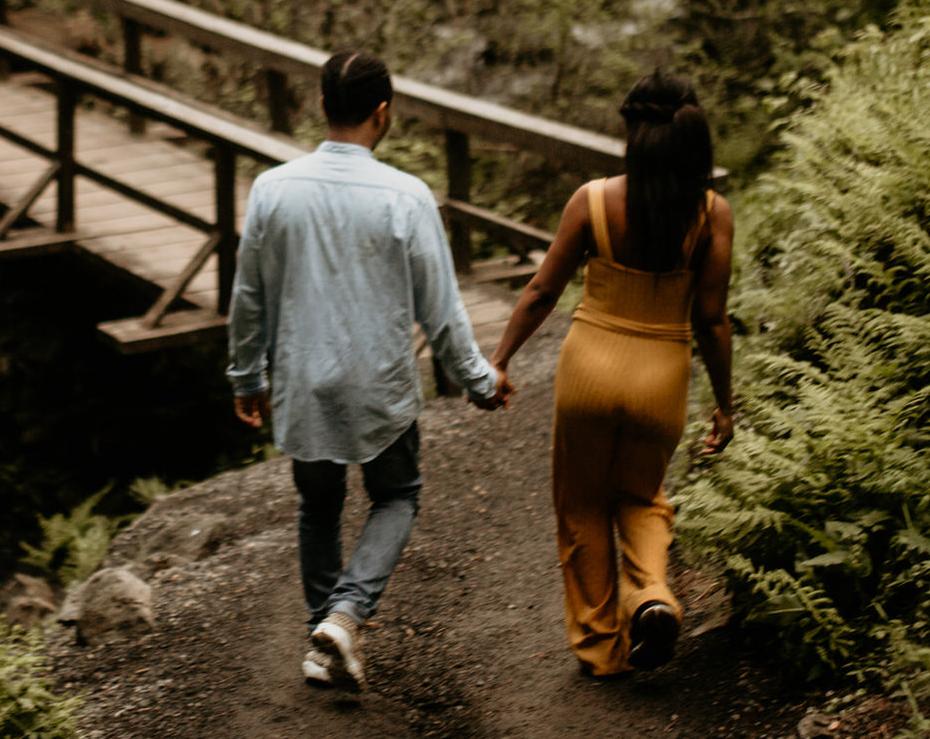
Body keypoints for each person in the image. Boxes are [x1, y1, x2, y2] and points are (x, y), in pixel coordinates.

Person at [228, 50, 513, 690]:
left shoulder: (273, 189)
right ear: (383, 114)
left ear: (322, 105)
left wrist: (247, 375)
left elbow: (249, 296)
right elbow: (440, 311)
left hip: (303, 379)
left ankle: (321, 633)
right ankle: (347, 614)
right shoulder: (406, 196)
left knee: (319, 505)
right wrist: (480, 381)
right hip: (377, 383)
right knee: (397, 495)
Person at [486, 72, 735, 676]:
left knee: (581, 505)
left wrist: (500, 359)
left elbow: (544, 289)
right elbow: (712, 319)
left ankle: (602, 646)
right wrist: (726, 405)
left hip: (588, 372)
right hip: (661, 380)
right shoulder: (712, 215)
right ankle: (652, 595)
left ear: (632, 135)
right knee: (642, 497)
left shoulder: (591, 201)